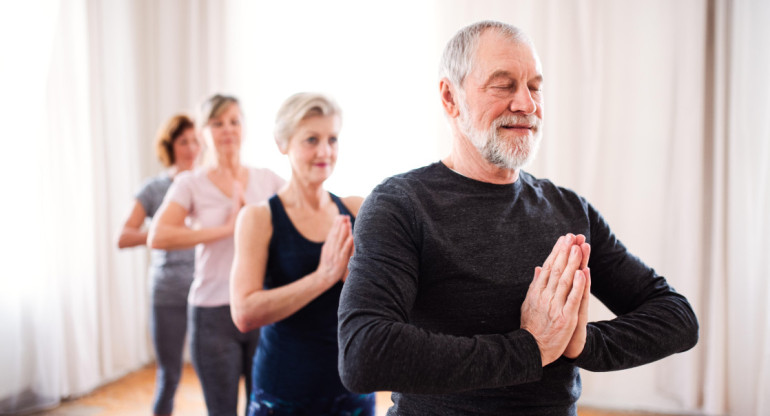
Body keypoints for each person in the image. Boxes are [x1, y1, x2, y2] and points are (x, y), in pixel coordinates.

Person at [337, 20, 699, 416]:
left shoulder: (569, 209)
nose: (526, 104)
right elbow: (364, 353)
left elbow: (677, 317)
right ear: (450, 97)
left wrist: (581, 344)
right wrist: (530, 347)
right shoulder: (400, 205)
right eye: (503, 84)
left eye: (535, 86)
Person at [230, 93, 375, 416]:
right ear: (283, 143)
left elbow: (382, 300)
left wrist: (355, 278)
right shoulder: (258, 218)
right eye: (312, 139)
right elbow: (245, 313)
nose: (325, 151)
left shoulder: (357, 208)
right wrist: (324, 276)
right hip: (285, 391)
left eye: (332, 139)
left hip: (352, 387)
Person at [149, 94, 285, 416]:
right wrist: (227, 229)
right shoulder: (190, 183)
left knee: (264, 408)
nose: (227, 130)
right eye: (217, 123)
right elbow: (159, 235)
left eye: (234, 121)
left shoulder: (267, 180)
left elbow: (309, 212)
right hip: (212, 313)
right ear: (203, 133)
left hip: (260, 308)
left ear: (245, 128)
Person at [117, 114, 199, 416]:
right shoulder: (153, 189)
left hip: (206, 292)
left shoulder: (207, 183)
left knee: (215, 374)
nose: (191, 148)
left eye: (194, 141)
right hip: (168, 292)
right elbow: (123, 237)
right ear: (170, 146)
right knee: (170, 375)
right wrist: (166, 232)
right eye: (183, 141)